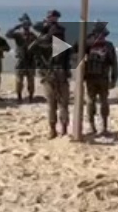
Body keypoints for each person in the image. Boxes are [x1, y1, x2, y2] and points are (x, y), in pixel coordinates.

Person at [30, 10, 71, 139]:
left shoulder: (59, 39)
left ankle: (62, 129)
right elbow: (31, 50)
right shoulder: (42, 42)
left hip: (59, 74)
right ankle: (54, 130)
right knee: (53, 104)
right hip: (49, 74)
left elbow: (67, 58)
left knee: (61, 103)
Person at [77, 21, 118, 135]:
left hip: (103, 78)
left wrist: (114, 79)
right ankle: (92, 126)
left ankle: (104, 127)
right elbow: (77, 52)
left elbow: (114, 63)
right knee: (90, 102)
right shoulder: (88, 45)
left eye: (102, 34)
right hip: (90, 78)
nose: (100, 36)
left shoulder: (109, 46)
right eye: (97, 34)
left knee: (104, 103)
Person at [6, 13, 37, 103]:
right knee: (19, 81)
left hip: (31, 60)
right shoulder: (18, 35)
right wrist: (16, 27)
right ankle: (19, 97)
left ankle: (31, 97)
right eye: (24, 23)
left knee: (31, 81)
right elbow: (8, 34)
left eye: (27, 23)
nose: (25, 25)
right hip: (21, 60)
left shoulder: (33, 36)